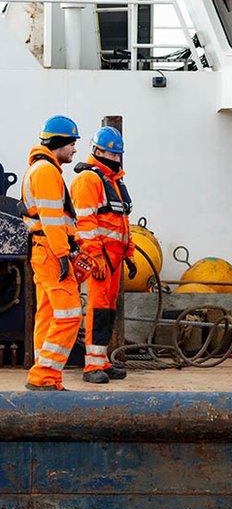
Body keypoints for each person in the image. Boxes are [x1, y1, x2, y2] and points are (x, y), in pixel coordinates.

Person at [19, 115, 82, 391]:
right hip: (51, 252)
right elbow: (52, 219)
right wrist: (63, 255)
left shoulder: (41, 169)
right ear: (61, 142)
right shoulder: (45, 172)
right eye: (72, 144)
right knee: (69, 314)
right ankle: (44, 374)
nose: (74, 150)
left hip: (44, 252)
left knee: (47, 314)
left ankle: (43, 376)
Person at [70, 126, 134, 384]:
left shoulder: (115, 182)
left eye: (117, 155)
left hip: (114, 259)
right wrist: (95, 257)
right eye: (109, 153)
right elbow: (85, 224)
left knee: (107, 311)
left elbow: (122, 223)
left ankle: (102, 361)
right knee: (97, 310)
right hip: (101, 259)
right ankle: (91, 366)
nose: (114, 158)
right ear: (96, 151)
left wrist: (128, 253)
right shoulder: (89, 180)